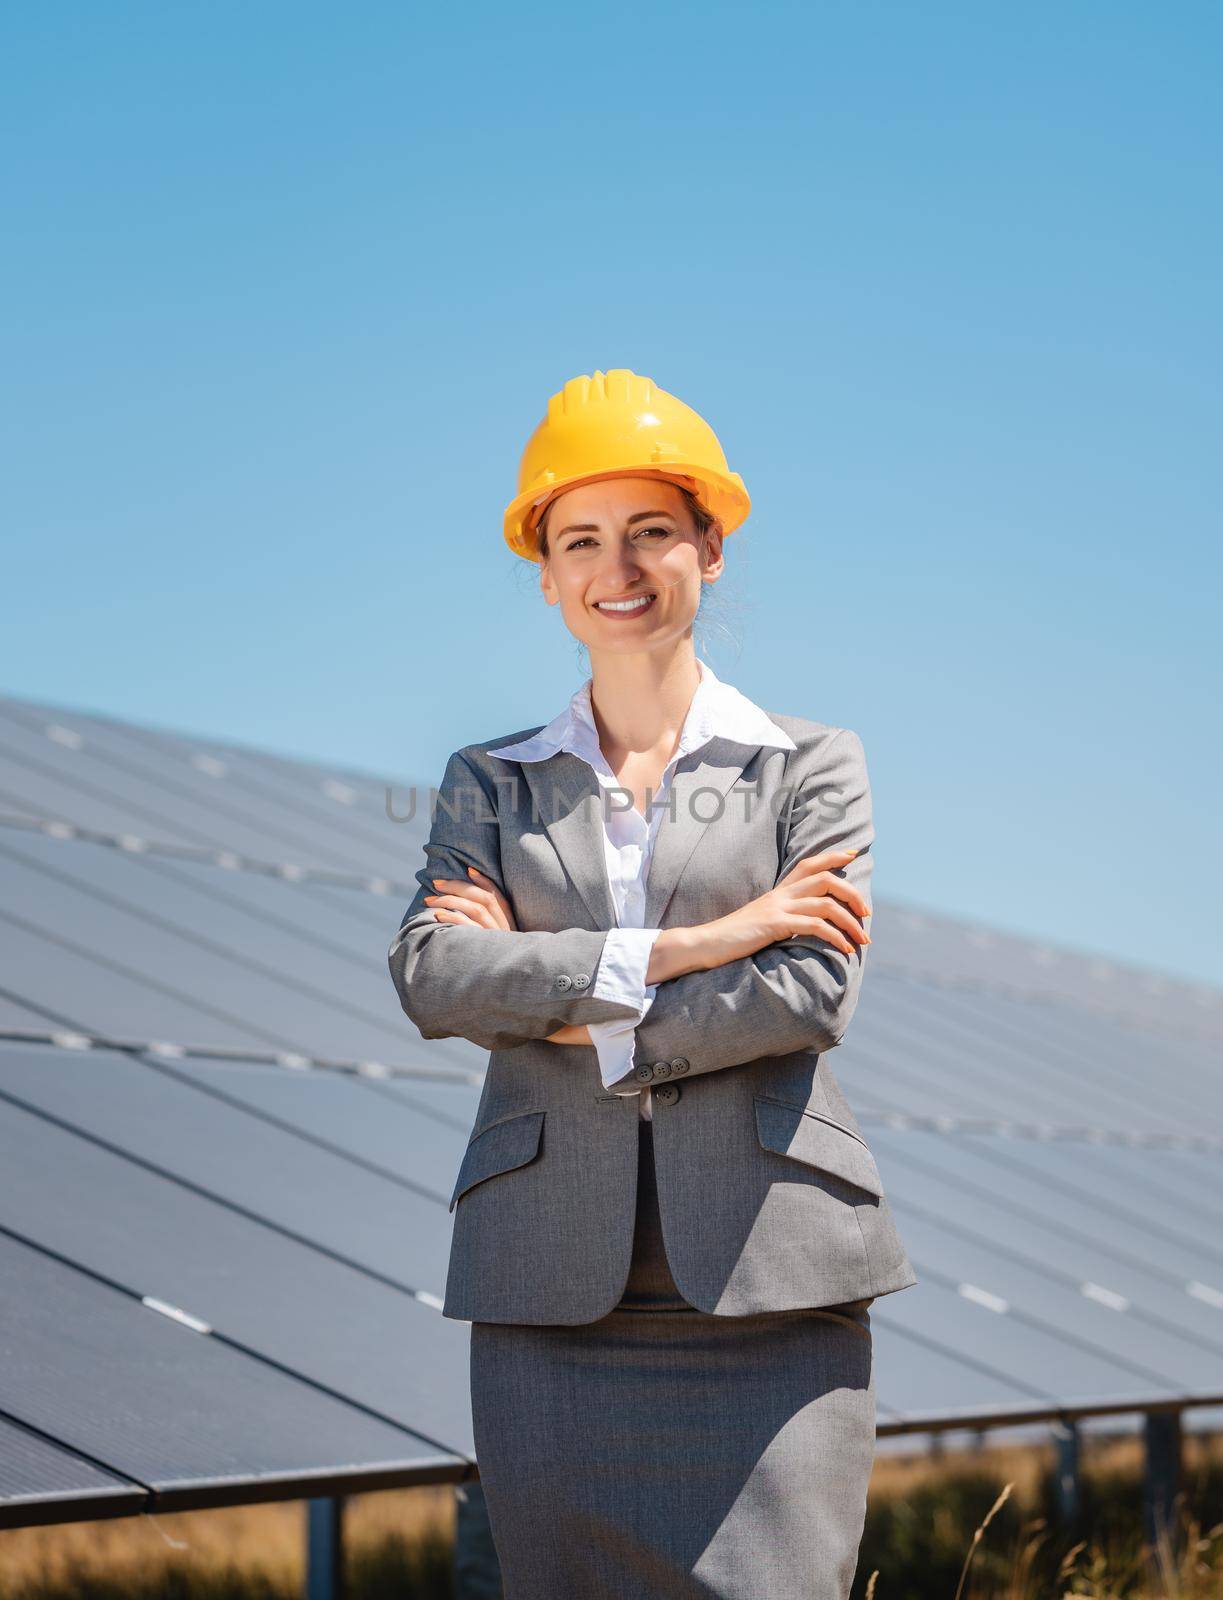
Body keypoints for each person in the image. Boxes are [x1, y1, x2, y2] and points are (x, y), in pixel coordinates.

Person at [388, 367, 918, 1599]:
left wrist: (557, 1005)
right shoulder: (491, 779)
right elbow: (432, 977)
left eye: (648, 532)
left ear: (708, 547)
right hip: (546, 1287)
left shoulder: (807, 765)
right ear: (543, 568)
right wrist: (701, 938)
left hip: (768, 1275)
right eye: (579, 538)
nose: (614, 568)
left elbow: (805, 991)